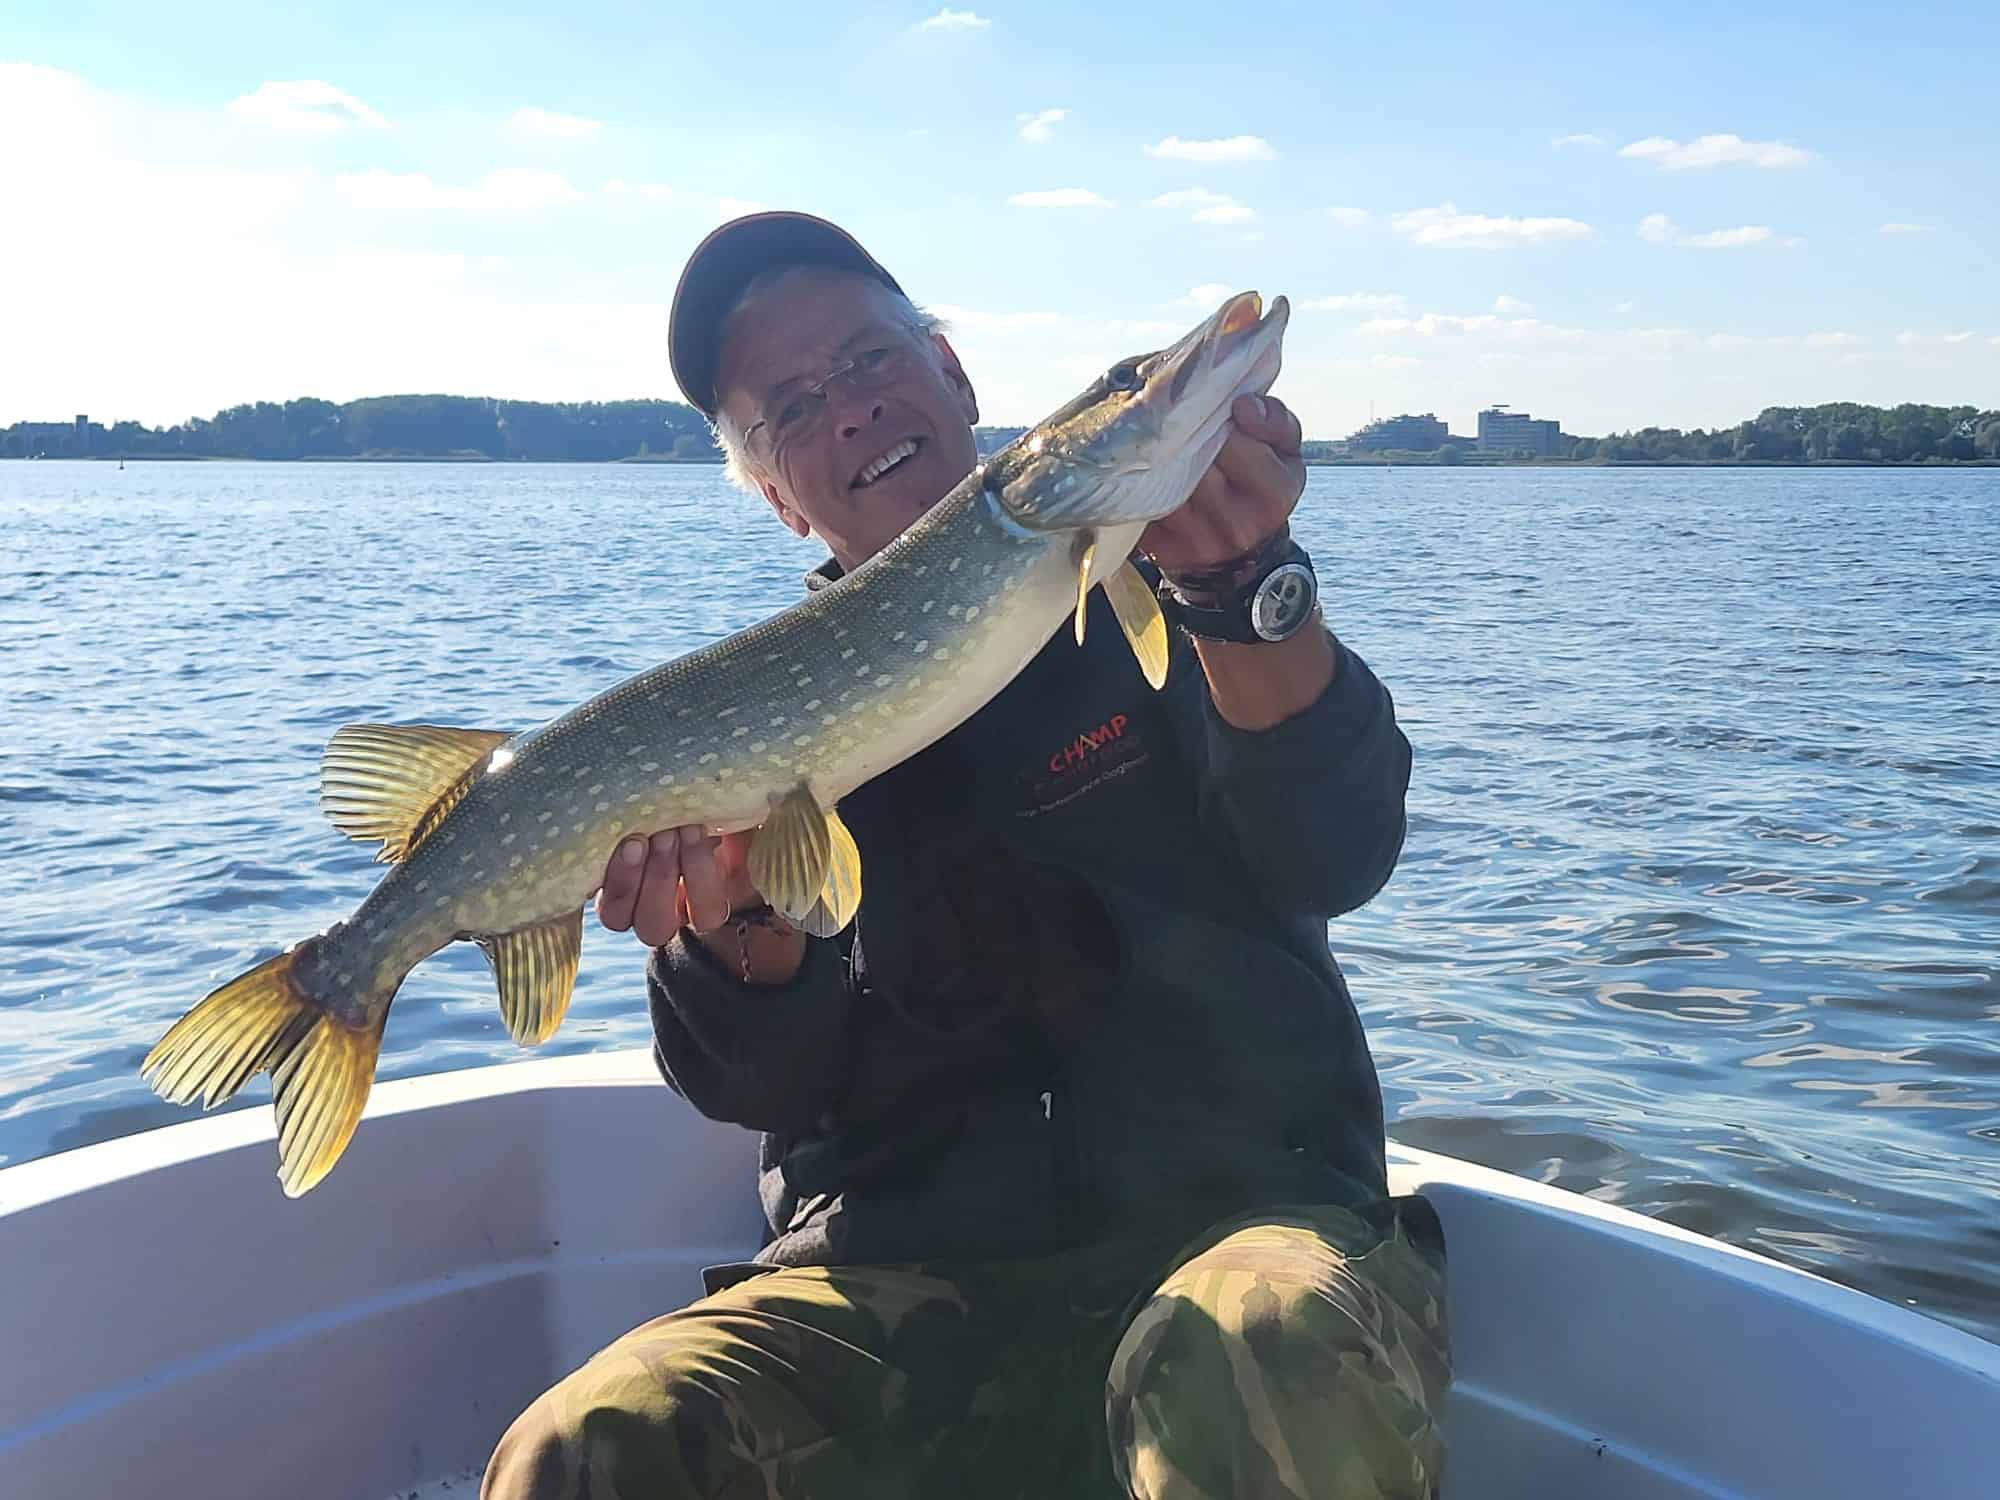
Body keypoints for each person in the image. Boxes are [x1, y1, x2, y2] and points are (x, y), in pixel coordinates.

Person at [482, 212, 1448, 1500]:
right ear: (777, 495)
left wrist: (1249, 585)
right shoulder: (764, 726)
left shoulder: (1168, 598)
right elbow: (759, 1080)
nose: (852, 407)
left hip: (1241, 1227)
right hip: (897, 1294)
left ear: (956, 376)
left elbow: (1339, 852)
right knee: (591, 1447)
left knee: (1251, 1351)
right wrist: (737, 925)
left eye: (875, 357)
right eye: (793, 406)